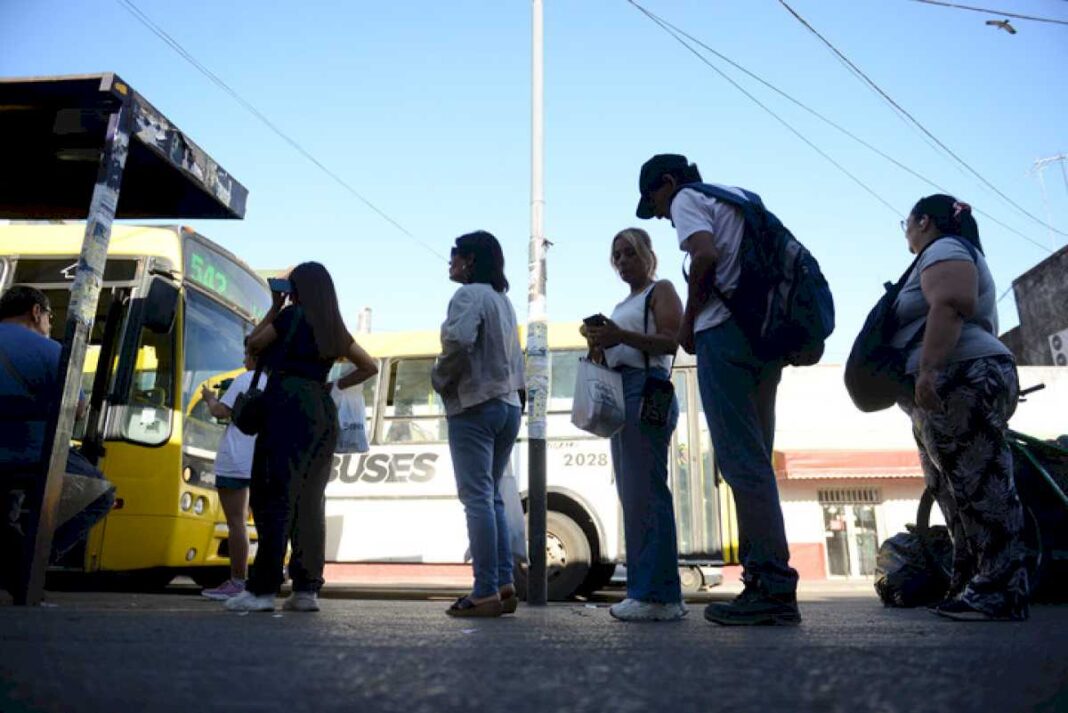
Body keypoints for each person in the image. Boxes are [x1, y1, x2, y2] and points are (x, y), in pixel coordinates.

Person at [636, 153, 800, 626]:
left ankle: (770, 585)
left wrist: (688, 324)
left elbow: (704, 254)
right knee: (756, 461)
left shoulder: (689, 197)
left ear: (667, 184)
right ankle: (767, 581)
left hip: (725, 334)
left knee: (740, 462)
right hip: (764, 337)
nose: (665, 217)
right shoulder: (741, 199)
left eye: (656, 203)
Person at [894, 194, 1027, 622]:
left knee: (980, 485)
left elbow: (950, 303)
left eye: (907, 223)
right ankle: (972, 582)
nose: (907, 233)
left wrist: (929, 370)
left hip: (962, 373)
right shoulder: (941, 251)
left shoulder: (944, 248)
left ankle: (1000, 590)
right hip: (953, 379)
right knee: (953, 490)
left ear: (925, 223)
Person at [224, 263, 377, 613]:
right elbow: (369, 366)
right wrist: (334, 385)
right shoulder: (333, 325)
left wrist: (275, 306)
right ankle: (306, 589)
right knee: (310, 502)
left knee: (275, 496)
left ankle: (262, 591)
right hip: (322, 413)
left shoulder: (290, 316)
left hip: (285, 406)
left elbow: (252, 344)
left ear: (296, 288)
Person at [583, 228, 686, 622]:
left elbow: (671, 339)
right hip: (623, 389)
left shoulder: (661, 290)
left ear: (647, 254)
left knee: (647, 493)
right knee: (634, 495)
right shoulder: (625, 302)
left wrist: (618, 334)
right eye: (617, 256)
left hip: (646, 389)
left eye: (630, 253)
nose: (623, 262)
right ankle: (645, 591)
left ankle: (658, 595)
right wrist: (599, 343)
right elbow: (620, 352)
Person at [431, 231, 525, 617]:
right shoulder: (504, 301)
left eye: (454, 256)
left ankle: (485, 589)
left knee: (476, 499)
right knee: (494, 497)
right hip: (507, 406)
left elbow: (458, 341)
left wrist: (440, 378)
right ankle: (503, 584)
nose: (450, 263)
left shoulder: (468, 296)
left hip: (475, 405)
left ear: (470, 260)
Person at [0, 285, 115, 580]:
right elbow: (75, 410)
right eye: (50, 317)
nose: (50, 324)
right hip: (34, 452)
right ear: (36, 312)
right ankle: (32, 563)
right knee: (100, 494)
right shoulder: (52, 351)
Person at [197, 347, 265, 601]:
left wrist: (209, 397)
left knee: (237, 523)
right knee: (264, 524)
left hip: (236, 458)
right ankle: (263, 581)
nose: (243, 359)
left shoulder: (246, 379)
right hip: (262, 460)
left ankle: (238, 581)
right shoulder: (279, 381)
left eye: (247, 354)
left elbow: (220, 412)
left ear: (255, 357)